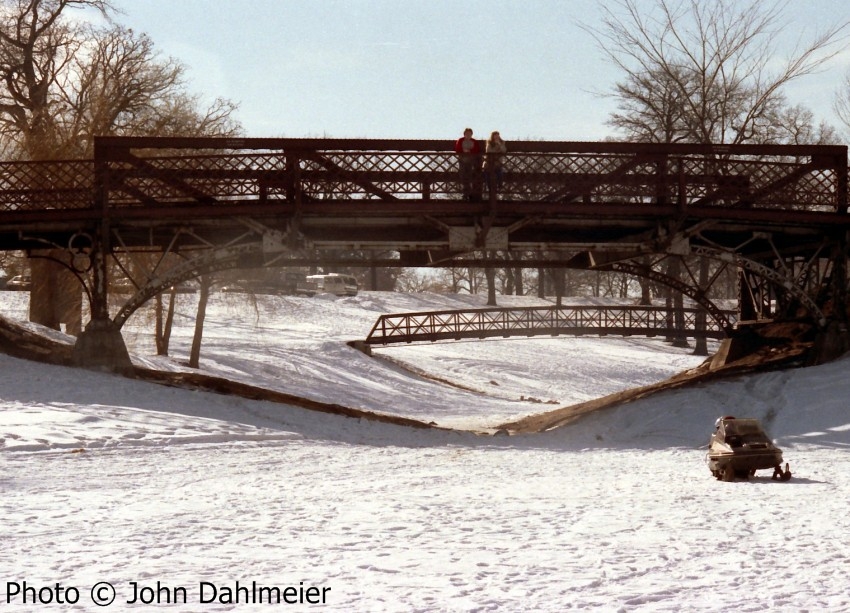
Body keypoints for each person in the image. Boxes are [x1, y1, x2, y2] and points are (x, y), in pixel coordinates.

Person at [454, 128, 482, 201]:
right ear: (464, 134)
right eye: (467, 133)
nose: (468, 135)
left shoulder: (474, 141)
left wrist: (469, 151)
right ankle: (466, 193)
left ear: (471, 134)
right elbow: (457, 149)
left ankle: (468, 193)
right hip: (462, 161)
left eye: (469, 133)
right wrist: (463, 151)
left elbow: (476, 150)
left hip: (471, 162)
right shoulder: (460, 140)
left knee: (470, 176)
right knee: (463, 176)